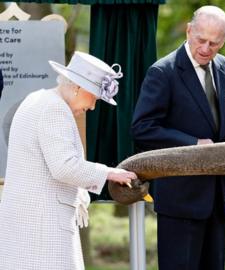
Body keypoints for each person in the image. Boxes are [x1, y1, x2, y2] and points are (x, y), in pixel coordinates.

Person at [131, 5, 225, 270]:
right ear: (188, 31)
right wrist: (194, 145)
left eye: (214, 43)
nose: (206, 48)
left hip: (217, 203)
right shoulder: (163, 72)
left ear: (224, 40)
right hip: (179, 203)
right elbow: (142, 129)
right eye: (201, 40)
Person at [0, 51, 136, 270]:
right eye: (95, 98)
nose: (92, 107)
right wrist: (110, 173)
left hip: (29, 225)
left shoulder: (38, 98)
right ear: (78, 87)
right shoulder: (54, 108)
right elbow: (64, 167)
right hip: (42, 229)